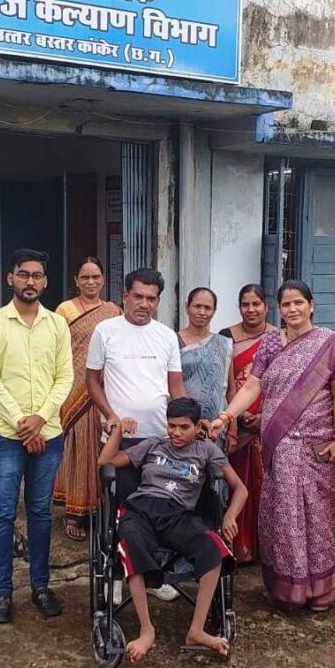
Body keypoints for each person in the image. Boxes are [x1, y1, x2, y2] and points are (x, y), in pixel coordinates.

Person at [211, 280, 335, 611]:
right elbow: (252, 386)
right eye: (286, 304)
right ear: (280, 310)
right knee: (283, 515)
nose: (293, 309)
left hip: (319, 445)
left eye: (299, 302)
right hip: (280, 445)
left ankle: (321, 592)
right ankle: (288, 591)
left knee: (318, 517)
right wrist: (226, 416)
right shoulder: (271, 343)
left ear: (312, 306)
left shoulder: (329, 345)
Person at [98, 397, 248, 663]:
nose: (176, 433)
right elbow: (106, 460)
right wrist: (118, 430)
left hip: (179, 514)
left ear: (197, 427)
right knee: (132, 545)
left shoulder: (206, 450)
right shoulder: (153, 445)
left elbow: (241, 489)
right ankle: (146, 630)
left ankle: (196, 630)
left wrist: (229, 516)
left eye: (184, 427)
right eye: (172, 426)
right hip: (141, 509)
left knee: (215, 549)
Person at [0, 248, 73, 624]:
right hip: (7, 435)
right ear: (10, 278)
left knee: (39, 512)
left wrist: (41, 418)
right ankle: (1, 592)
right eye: (23, 274)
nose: (30, 281)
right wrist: (23, 422)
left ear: (45, 282)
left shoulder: (57, 325)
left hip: (48, 435)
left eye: (36, 275)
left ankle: (40, 586)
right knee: (3, 513)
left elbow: (64, 377)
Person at [86, 267, 186, 601]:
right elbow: (92, 382)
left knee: (158, 509)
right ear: (125, 295)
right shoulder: (106, 331)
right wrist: (111, 417)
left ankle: (153, 577)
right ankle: (116, 577)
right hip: (121, 443)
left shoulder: (166, 336)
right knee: (120, 512)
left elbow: (175, 387)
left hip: (160, 442)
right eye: (138, 296)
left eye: (151, 299)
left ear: (158, 301)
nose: (144, 304)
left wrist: (189, 422)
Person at [54, 257, 122, 541]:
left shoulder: (114, 311)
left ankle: (101, 507)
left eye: (95, 277)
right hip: (74, 388)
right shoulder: (64, 310)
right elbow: (56, 348)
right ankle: (75, 512)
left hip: (106, 388)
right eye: (85, 277)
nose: (90, 282)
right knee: (78, 446)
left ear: (103, 279)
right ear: (76, 280)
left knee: (102, 445)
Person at [219, 284, 277, 563]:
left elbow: (282, 384)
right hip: (237, 425)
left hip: (271, 424)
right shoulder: (226, 337)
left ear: (266, 306)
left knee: (268, 486)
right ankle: (238, 547)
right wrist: (235, 419)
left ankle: (268, 549)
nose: (251, 309)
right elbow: (224, 383)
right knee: (237, 484)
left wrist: (264, 416)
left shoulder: (279, 338)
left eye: (256, 304)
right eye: (245, 304)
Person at [178, 287, 236, 446]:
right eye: (197, 306)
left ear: (214, 311)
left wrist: (233, 428)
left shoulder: (223, 344)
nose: (202, 312)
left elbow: (230, 390)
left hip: (215, 429)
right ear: (187, 307)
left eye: (207, 308)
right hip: (181, 426)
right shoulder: (172, 341)